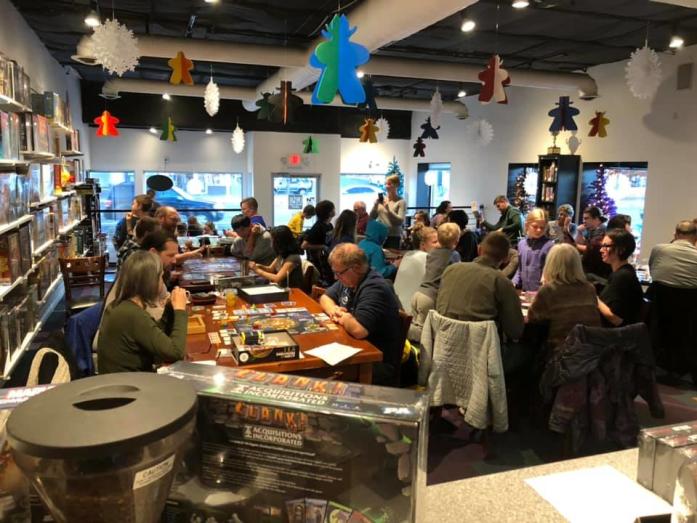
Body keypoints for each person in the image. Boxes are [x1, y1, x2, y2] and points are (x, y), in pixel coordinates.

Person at [437, 232, 525, 373]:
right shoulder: (501, 281)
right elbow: (515, 331)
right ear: (504, 259)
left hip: (445, 349)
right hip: (480, 357)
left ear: (480, 249)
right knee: (526, 352)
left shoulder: (450, 270)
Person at [320, 244, 402, 386]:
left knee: (319, 375)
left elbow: (359, 330)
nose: (336, 277)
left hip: (376, 361)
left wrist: (345, 318)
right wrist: (335, 310)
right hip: (356, 350)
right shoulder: (349, 280)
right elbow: (325, 298)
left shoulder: (375, 288)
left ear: (356, 267)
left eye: (339, 273)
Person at [97, 250, 188, 374]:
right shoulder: (131, 314)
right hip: (131, 388)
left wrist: (169, 309)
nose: (162, 281)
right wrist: (180, 310)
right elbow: (176, 352)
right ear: (151, 281)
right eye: (160, 276)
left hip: (122, 384)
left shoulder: (120, 306)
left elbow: (154, 337)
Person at [527, 244, 601, 351]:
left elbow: (533, 318)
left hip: (562, 353)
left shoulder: (549, 290)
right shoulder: (589, 288)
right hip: (591, 351)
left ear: (551, 264)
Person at [408, 223, 461, 341]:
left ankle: (406, 343)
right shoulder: (454, 255)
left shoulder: (432, 253)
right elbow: (457, 273)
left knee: (415, 325)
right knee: (425, 334)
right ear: (457, 241)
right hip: (431, 297)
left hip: (419, 294)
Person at [597, 229, 643, 327]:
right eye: (602, 246)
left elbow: (615, 318)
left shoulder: (622, 277)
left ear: (621, 249)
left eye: (606, 246)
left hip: (618, 337)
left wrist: (593, 298)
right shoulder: (624, 272)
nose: (601, 250)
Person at [394, 226, 437, 313]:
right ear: (422, 245)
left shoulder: (408, 255)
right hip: (411, 313)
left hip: (397, 307)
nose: (439, 245)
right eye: (435, 242)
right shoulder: (425, 258)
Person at [513, 208, 555, 291]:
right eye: (535, 226)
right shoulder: (521, 244)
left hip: (541, 292)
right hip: (525, 291)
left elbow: (550, 269)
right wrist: (514, 281)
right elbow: (520, 268)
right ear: (527, 225)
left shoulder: (550, 245)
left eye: (542, 228)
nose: (539, 230)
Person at [649, 220, 697, 288]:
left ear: (675, 235)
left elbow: (652, 273)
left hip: (659, 296)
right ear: (696, 236)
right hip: (691, 298)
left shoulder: (658, 249)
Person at [369, 175, 406, 249]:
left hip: (393, 236)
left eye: (389, 184)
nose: (386, 186)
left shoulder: (401, 202)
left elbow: (400, 221)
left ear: (396, 185)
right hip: (380, 235)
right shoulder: (382, 200)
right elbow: (372, 217)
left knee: (391, 257)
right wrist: (375, 206)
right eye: (385, 184)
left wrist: (388, 209)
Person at [574, 206, 609, 279]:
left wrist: (573, 245)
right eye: (583, 218)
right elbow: (581, 244)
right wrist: (579, 232)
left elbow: (590, 249)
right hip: (591, 266)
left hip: (599, 271)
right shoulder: (591, 229)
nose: (584, 221)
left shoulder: (602, 229)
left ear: (596, 219)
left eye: (586, 218)